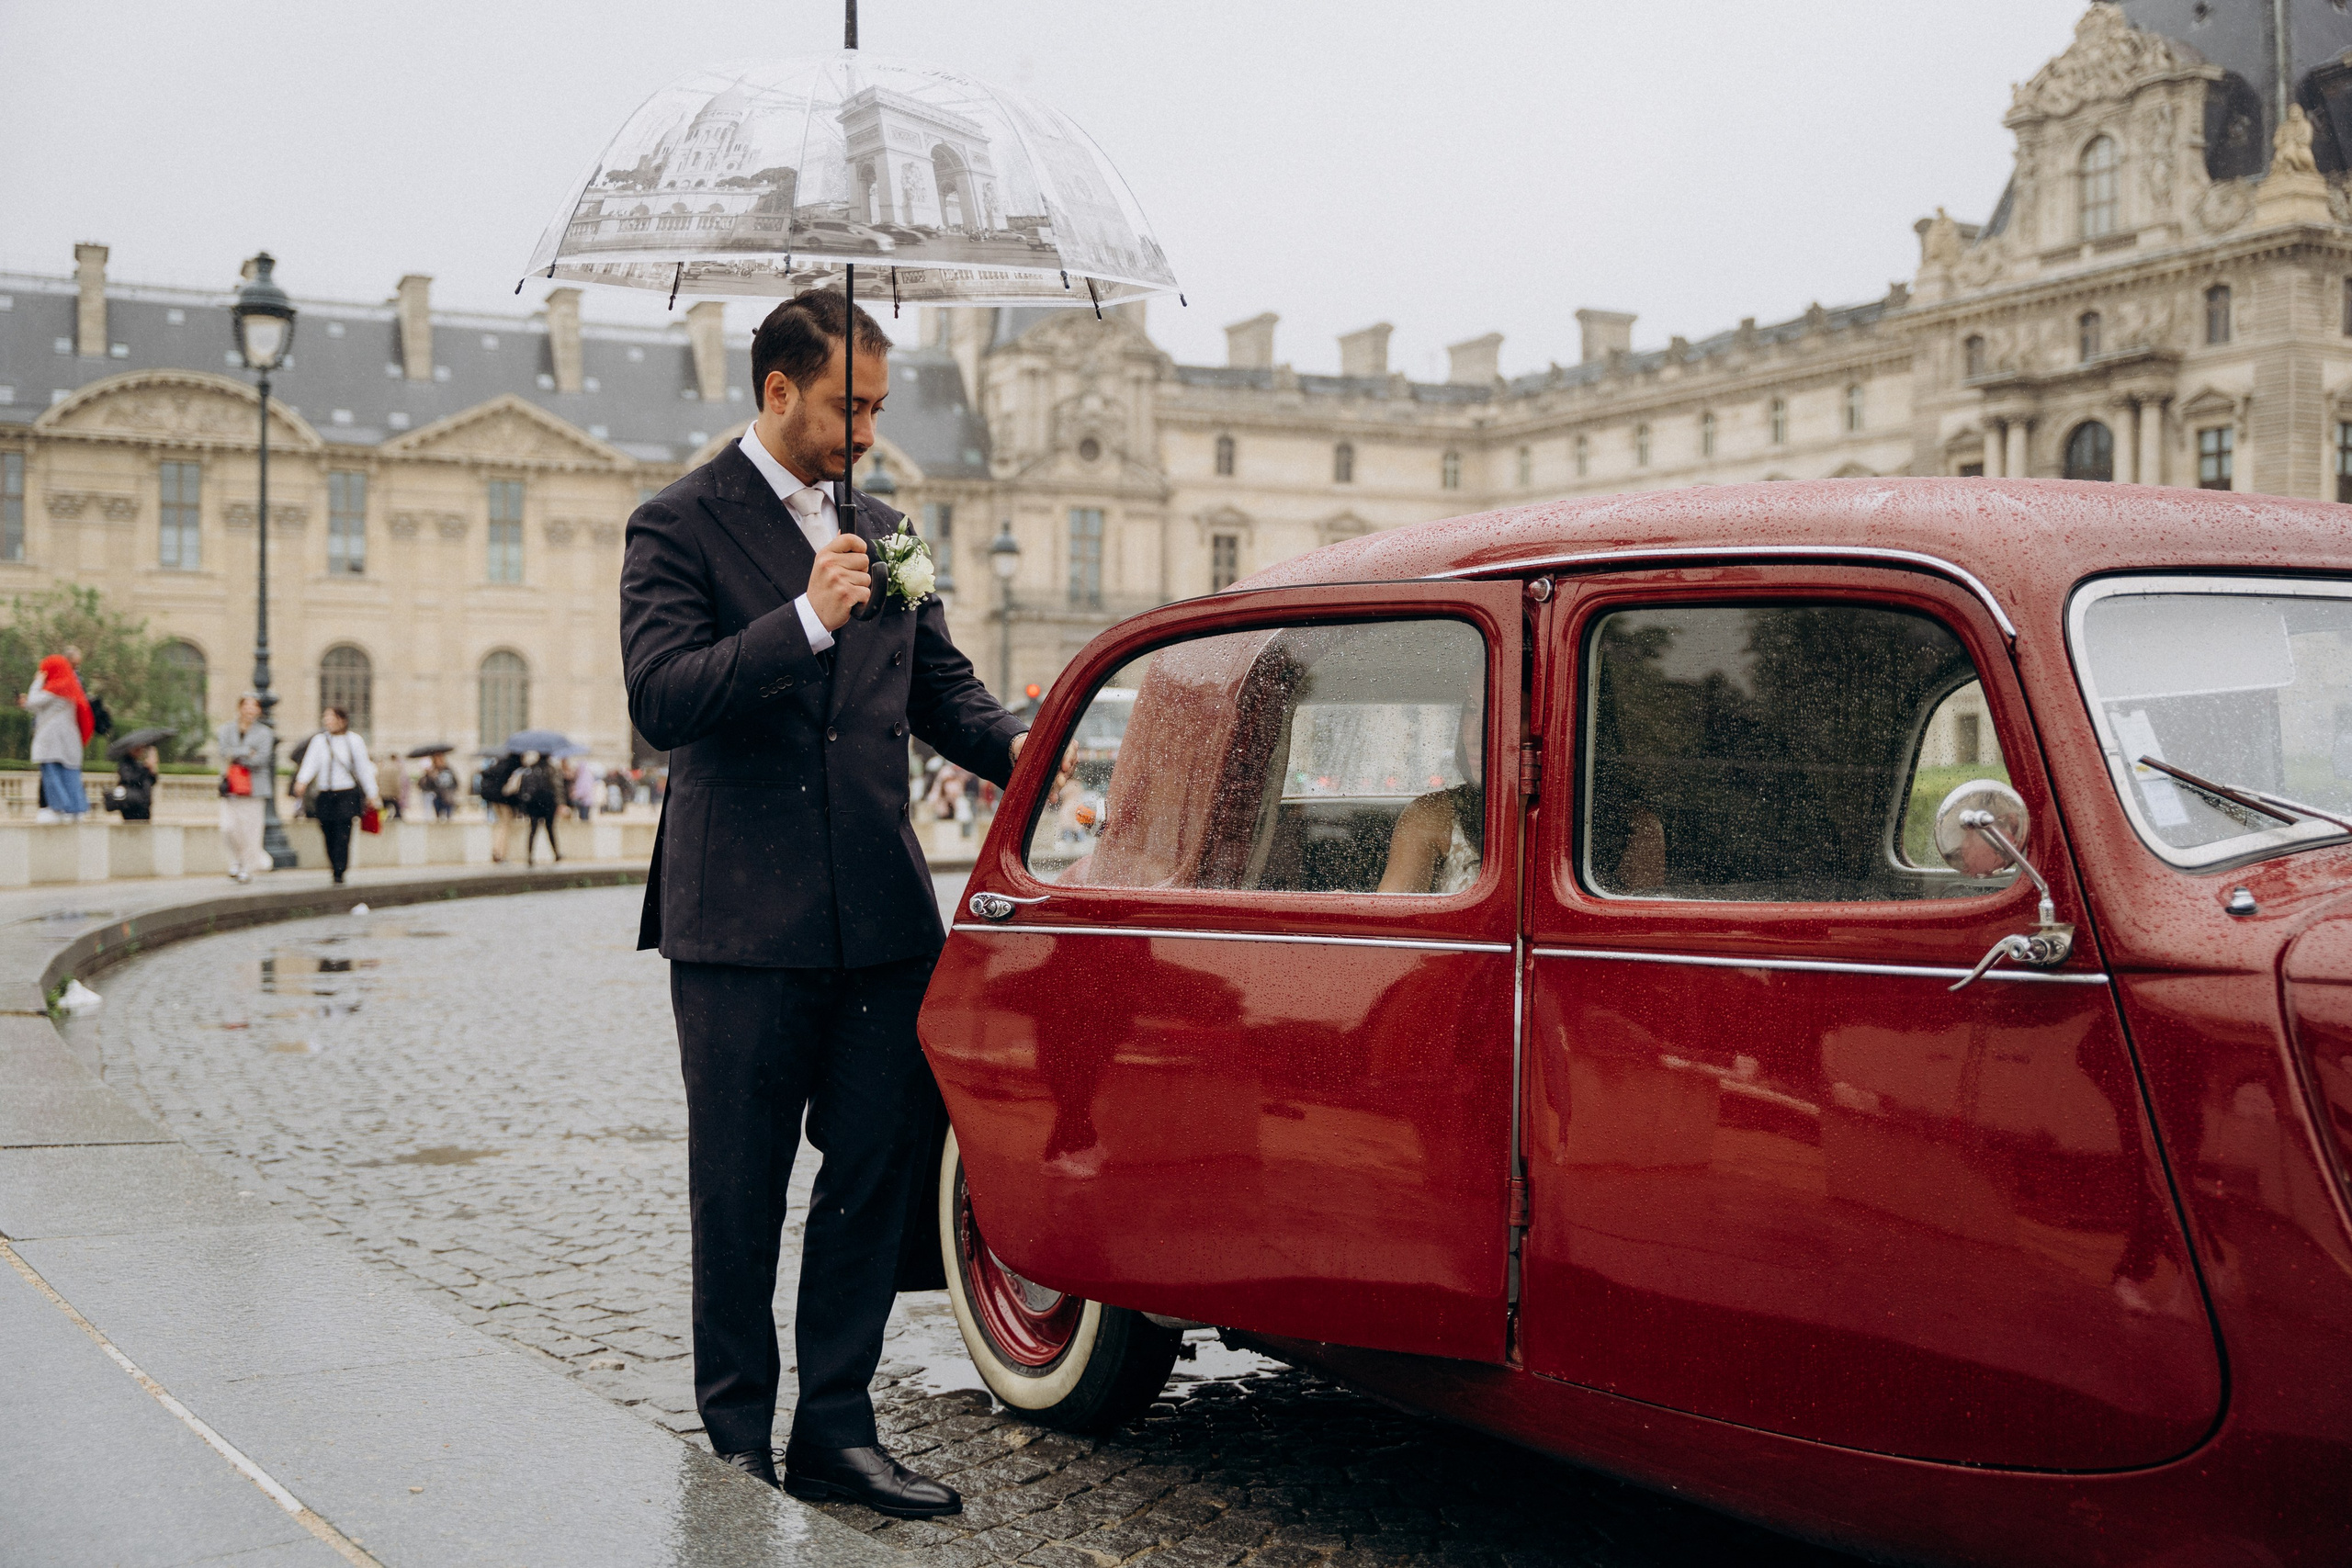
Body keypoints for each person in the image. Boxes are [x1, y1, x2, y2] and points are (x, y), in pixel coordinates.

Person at [621, 288, 1035, 1517]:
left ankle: (838, 1431)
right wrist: (805, 617)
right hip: (739, 921)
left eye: (879, 407)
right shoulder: (676, 521)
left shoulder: (887, 528)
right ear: (778, 389)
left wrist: (1038, 751)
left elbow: (943, 691)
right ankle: (736, 1439)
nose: (867, 429)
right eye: (849, 405)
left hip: (881, 915)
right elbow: (662, 697)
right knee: (739, 1189)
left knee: (871, 1174)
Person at [290, 705, 379, 886]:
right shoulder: (319, 740)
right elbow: (310, 763)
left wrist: (372, 793)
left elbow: (363, 768)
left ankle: (340, 870)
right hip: (325, 793)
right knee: (327, 831)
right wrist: (301, 781)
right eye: (326, 718)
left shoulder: (354, 740)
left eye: (331, 717)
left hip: (346, 793)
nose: (327, 721)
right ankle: (334, 864)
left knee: (343, 832)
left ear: (342, 720)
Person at [20, 649, 94, 821]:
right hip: (70, 741)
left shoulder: (56, 687)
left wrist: (38, 681)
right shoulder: (72, 686)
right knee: (71, 775)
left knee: (52, 775)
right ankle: (76, 809)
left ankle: (59, 808)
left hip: (51, 741)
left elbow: (33, 701)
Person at [216, 694, 273, 882]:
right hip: (231, 787)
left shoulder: (265, 733)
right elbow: (223, 752)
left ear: (259, 710)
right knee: (228, 828)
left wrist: (236, 755)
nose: (250, 710)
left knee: (251, 831)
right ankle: (236, 860)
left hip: (254, 789)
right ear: (240, 708)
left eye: (254, 706)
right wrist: (247, 752)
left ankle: (246, 867)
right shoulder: (226, 729)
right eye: (246, 705)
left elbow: (261, 759)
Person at [502, 748, 563, 865]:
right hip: (548, 804)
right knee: (550, 829)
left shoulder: (530, 769)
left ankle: (530, 856)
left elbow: (524, 788)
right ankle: (556, 853)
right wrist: (560, 803)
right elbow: (558, 787)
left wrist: (523, 806)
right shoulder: (551, 769)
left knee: (533, 830)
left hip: (534, 804)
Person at [107, 744, 158, 821]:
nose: (140, 751)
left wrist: (152, 771)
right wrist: (145, 768)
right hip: (132, 803)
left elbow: (150, 781)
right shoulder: (125, 763)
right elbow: (129, 779)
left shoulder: (138, 764)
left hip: (143, 803)